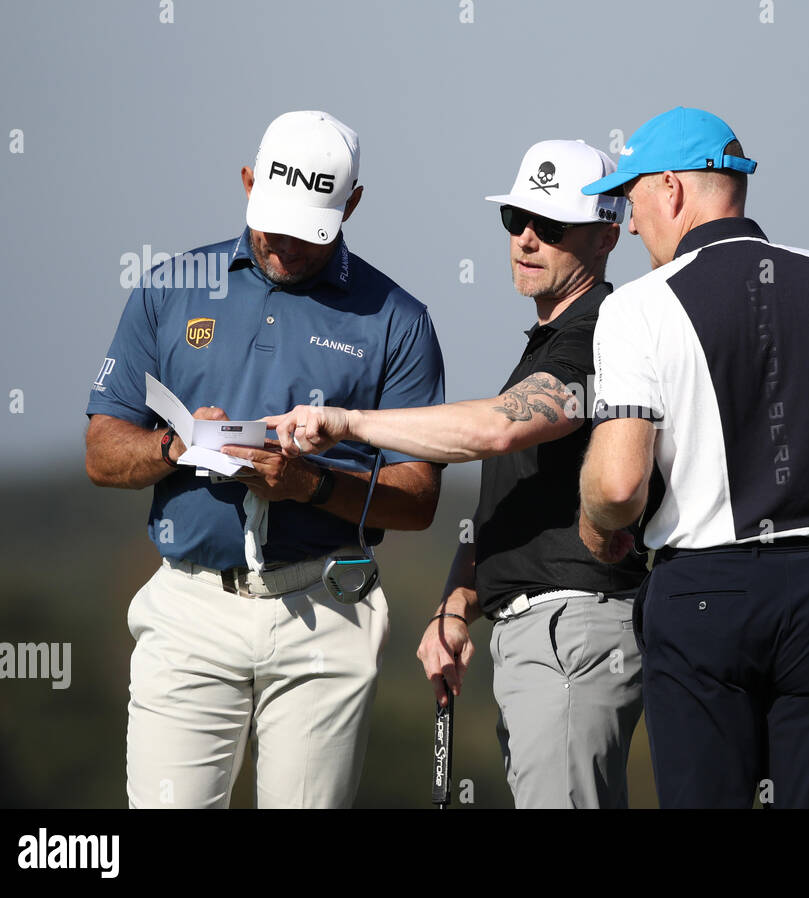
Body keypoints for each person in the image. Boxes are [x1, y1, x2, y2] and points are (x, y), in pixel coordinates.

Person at [574, 107, 809, 808]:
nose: (628, 222)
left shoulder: (639, 307)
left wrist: (595, 519)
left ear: (673, 190)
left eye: (632, 198)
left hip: (705, 590)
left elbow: (620, 483)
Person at [266, 140, 648, 808]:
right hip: (539, 628)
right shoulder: (550, 342)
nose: (527, 239)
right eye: (516, 220)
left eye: (551, 227)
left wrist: (352, 423)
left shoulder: (602, 332)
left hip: (573, 627)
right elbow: (520, 492)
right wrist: (457, 602)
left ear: (607, 236)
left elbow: (495, 428)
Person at [84, 110, 446, 808]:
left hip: (326, 608)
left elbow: (419, 498)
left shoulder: (399, 319)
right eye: (271, 219)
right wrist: (175, 446)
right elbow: (103, 451)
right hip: (189, 606)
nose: (283, 244)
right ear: (248, 182)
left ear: (354, 204)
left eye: (307, 229)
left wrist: (308, 484)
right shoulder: (169, 287)